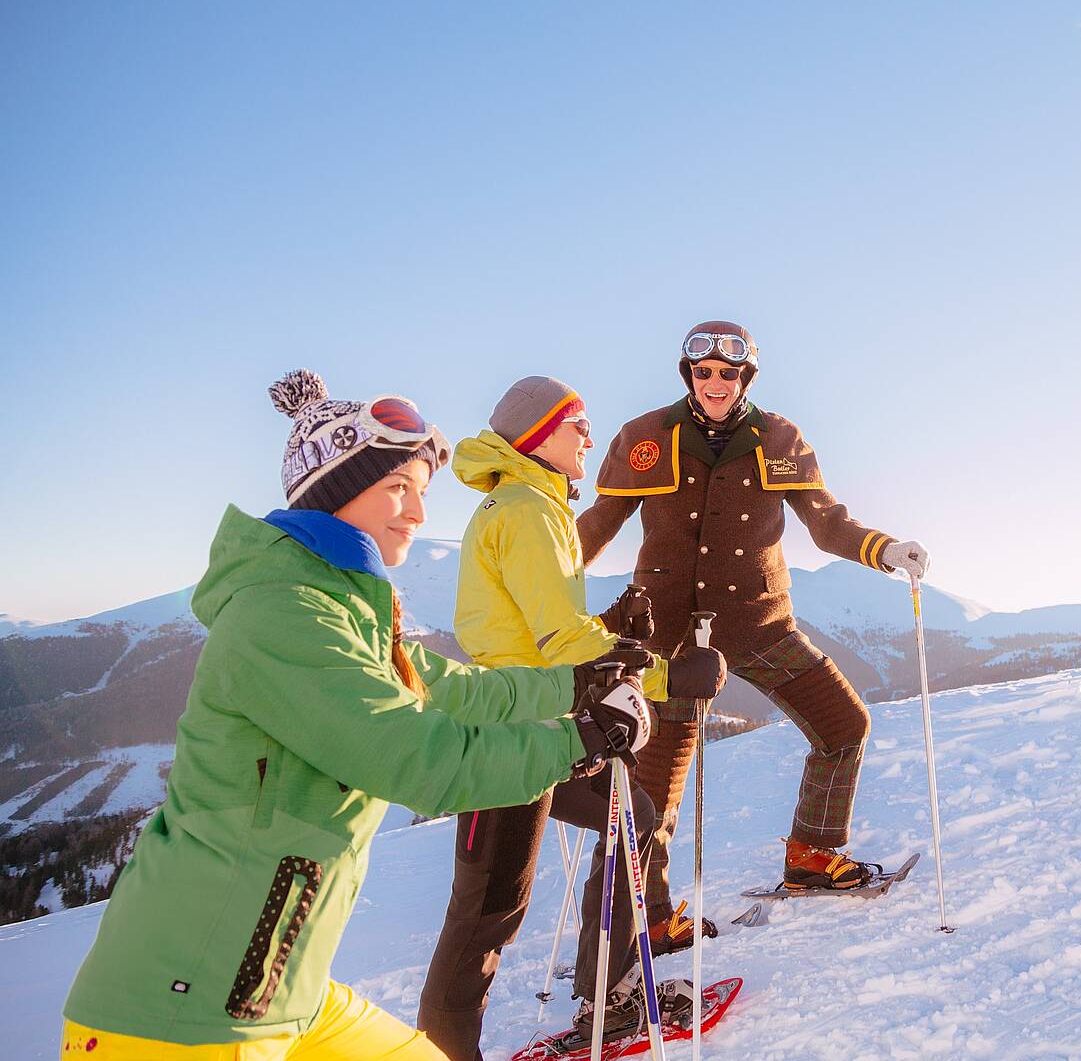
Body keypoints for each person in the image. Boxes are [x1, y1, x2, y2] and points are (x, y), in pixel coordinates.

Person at [58, 370, 720, 1060]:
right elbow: (420, 758)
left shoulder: (346, 609)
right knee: (487, 914)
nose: (417, 513)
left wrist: (581, 685)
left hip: (281, 992)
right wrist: (583, 734)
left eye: (421, 491)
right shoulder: (284, 614)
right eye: (396, 488)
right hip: (180, 1012)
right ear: (337, 491)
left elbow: (459, 689)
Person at [577, 320, 928, 948]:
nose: (716, 381)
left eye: (728, 372)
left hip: (759, 620)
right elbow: (601, 522)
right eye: (704, 371)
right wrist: (531, 573)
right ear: (689, 375)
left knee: (843, 724)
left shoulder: (779, 438)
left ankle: (812, 856)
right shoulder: (645, 436)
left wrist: (885, 550)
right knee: (657, 779)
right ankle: (650, 916)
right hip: (667, 635)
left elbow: (827, 524)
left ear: (746, 376)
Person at [417, 376, 673, 1057]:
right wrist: (670, 675)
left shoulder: (535, 504)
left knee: (632, 818)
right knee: (485, 911)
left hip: (540, 727)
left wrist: (620, 632)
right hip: (505, 735)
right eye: (576, 421)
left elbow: (549, 628)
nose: (589, 433)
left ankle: (609, 989)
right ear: (537, 435)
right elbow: (561, 640)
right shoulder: (529, 508)